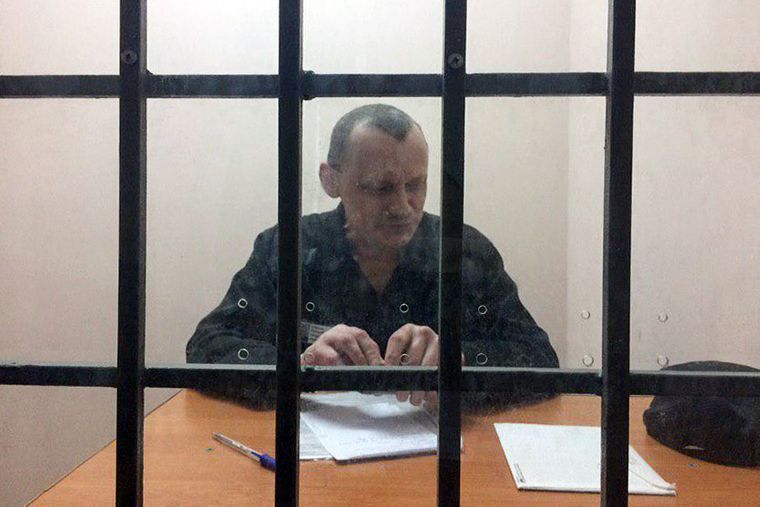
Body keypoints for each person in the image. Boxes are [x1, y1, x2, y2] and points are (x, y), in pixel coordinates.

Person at [186, 104, 559, 411]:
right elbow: (207, 346)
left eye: (415, 185)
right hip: (313, 460)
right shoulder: (288, 248)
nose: (402, 206)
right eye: (380, 188)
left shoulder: (464, 252)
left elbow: (540, 358)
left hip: (439, 459)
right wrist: (298, 367)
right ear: (331, 180)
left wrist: (458, 359)